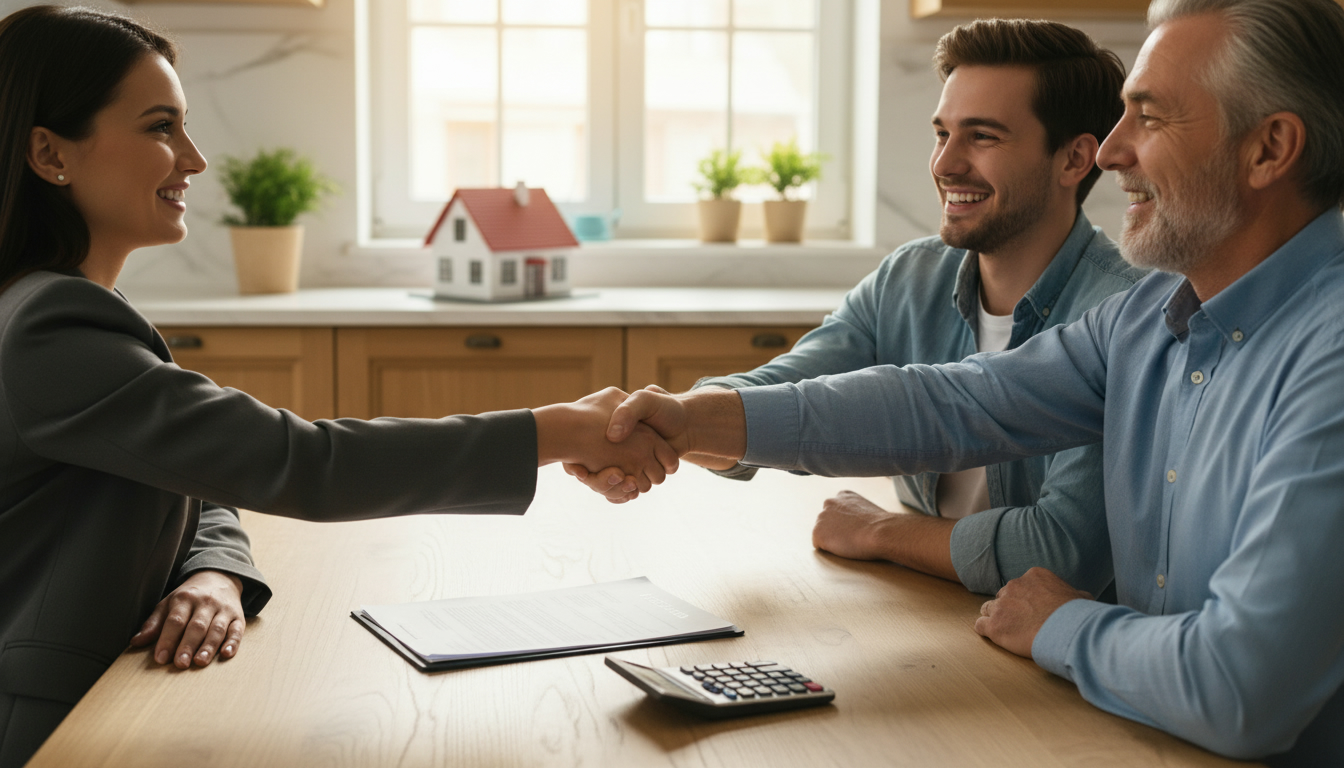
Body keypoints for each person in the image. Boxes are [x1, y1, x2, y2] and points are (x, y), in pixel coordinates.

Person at [601, 0, 1344, 762]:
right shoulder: (1153, 313)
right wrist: (691, 421)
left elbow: (1241, 692)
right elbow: (955, 402)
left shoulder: (1329, 357)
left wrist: (1059, 622)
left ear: (1269, 150)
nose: (1113, 151)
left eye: (1149, 119)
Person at [0, 7, 674, 766]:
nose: (195, 159)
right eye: (161, 127)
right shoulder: (51, 330)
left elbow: (200, 477)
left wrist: (215, 570)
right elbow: (301, 462)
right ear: (50, 154)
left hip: (118, 693)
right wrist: (559, 430)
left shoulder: (54, 309)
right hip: (53, 730)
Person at [573, 19, 1144, 598]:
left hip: (1052, 659)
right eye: (942, 134)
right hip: (928, 611)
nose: (945, 165)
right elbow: (787, 388)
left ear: (1074, 160)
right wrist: (666, 422)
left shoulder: (1121, 317)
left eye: (983, 137)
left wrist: (881, 532)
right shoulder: (909, 279)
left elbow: (1059, 555)